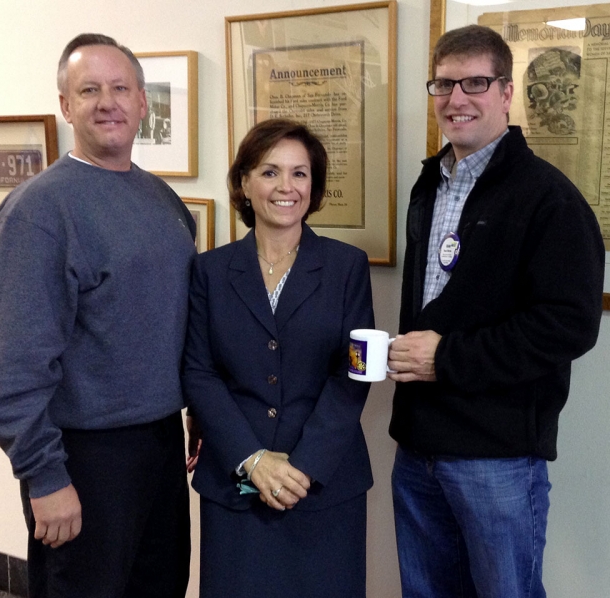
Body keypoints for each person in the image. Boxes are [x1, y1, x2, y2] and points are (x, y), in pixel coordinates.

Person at [387, 25, 604, 598]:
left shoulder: (549, 199)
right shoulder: (428, 184)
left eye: (475, 83)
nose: (456, 99)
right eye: (444, 83)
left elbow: (569, 324)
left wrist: (447, 358)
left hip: (498, 458)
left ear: (506, 92)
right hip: (417, 449)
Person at [0, 33, 196, 598]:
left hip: (159, 446)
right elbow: (10, 371)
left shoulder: (162, 200)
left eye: (121, 88)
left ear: (144, 103)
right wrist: (44, 476)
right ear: (65, 105)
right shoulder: (39, 213)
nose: (108, 102)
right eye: (90, 89)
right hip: (84, 457)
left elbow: (171, 321)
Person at [183, 119, 374, 598]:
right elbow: (199, 372)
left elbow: (354, 373)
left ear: (314, 185)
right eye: (270, 173)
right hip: (236, 483)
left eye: (300, 174)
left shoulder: (346, 266)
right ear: (244, 183)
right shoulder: (209, 270)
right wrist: (253, 460)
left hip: (325, 484)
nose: (286, 187)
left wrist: (303, 468)